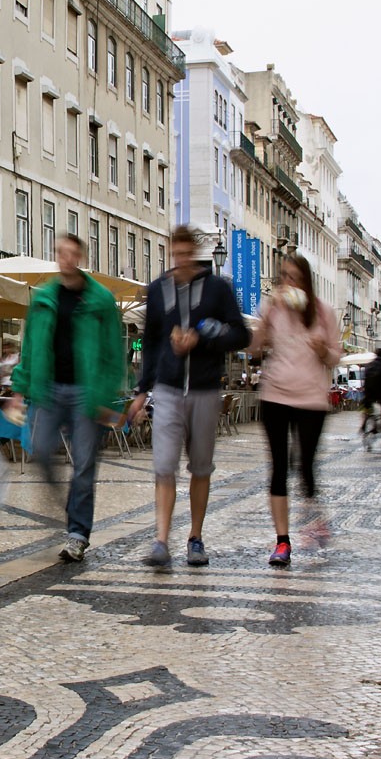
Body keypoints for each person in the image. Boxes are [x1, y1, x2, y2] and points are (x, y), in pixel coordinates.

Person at [127, 226, 251, 568]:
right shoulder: (157, 290)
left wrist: (202, 338)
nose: (180, 260)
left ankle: (195, 537)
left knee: (200, 467)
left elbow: (241, 334)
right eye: (175, 254)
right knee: (164, 467)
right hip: (167, 389)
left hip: (205, 388)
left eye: (185, 254)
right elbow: (150, 344)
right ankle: (161, 539)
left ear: (194, 253)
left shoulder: (217, 289)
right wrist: (141, 391)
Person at [10, 234, 125, 562]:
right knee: (41, 451)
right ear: (57, 255)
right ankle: (68, 501)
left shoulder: (100, 300)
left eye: (73, 254)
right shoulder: (45, 298)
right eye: (62, 253)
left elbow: (113, 352)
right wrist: (19, 388)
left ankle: (78, 533)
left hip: (86, 394)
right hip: (49, 390)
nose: (66, 258)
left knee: (85, 465)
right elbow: (29, 346)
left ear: (81, 258)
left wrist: (105, 395)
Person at [247, 253, 341, 567]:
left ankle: (315, 520)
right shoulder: (271, 309)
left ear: (306, 281)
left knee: (306, 466)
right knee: (278, 468)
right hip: (274, 395)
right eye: (284, 276)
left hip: (311, 399)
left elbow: (334, 359)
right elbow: (254, 350)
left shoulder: (324, 313)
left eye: (295, 277)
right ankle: (282, 542)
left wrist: (322, 349)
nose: (288, 283)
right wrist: (266, 318)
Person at [361, 349, 381, 429]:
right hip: (380, 391)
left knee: (367, 406)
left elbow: (364, 378)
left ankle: (364, 422)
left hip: (368, 391)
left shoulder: (369, 365)